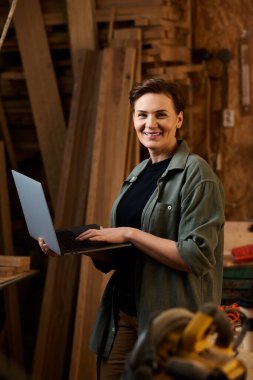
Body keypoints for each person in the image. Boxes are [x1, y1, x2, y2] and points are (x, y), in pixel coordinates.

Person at [39, 78, 225, 380]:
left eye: (161, 114)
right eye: (142, 115)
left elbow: (196, 257)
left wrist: (129, 233)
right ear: (133, 120)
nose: (150, 123)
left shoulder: (197, 175)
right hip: (124, 314)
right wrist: (86, 246)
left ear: (179, 119)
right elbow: (129, 256)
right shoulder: (138, 174)